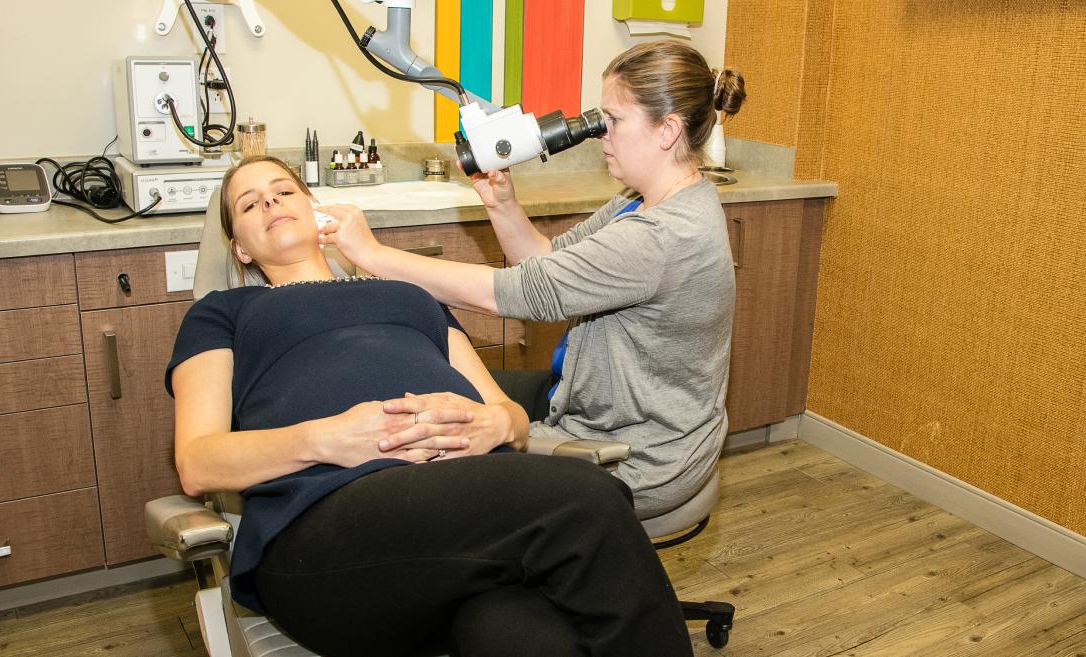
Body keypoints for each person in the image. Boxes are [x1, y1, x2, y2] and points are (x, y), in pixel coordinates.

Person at [166, 155, 695, 657]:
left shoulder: (409, 294)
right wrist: (326, 438)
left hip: (459, 522)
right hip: (328, 534)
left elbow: (507, 414)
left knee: (521, 636)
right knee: (587, 499)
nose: (272, 204)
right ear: (239, 248)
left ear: (315, 207)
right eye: (250, 203)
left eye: (284, 191)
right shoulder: (224, 313)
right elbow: (198, 462)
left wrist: (495, 423)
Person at [320, 40, 747, 521]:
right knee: (452, 396)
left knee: (440, 480)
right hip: (607, 416)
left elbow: (513, 294)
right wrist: (501, 202)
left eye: (614, 120)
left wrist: (372, 253)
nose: (600, 133)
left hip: (634, 457)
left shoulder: (663, 235)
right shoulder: (646, 200)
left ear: (667, 130)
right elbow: (546, 260)